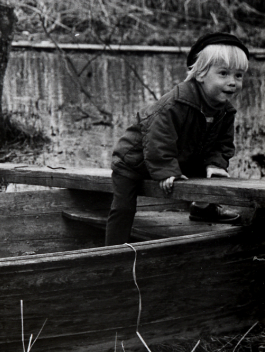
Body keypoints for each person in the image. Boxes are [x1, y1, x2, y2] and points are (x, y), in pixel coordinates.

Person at [105, 32, 249, 246]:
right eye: (224, 74)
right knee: (123, 206)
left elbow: (223, 143)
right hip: (135, 162)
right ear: (200, 75)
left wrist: (215, 163)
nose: (232, 82)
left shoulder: (225, 111)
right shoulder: (176, 103)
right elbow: (157, 138)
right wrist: (165, 169)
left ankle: (203, 209)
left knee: (212, 175)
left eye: (238, 76)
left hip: (181, 159)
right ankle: (114, 250)